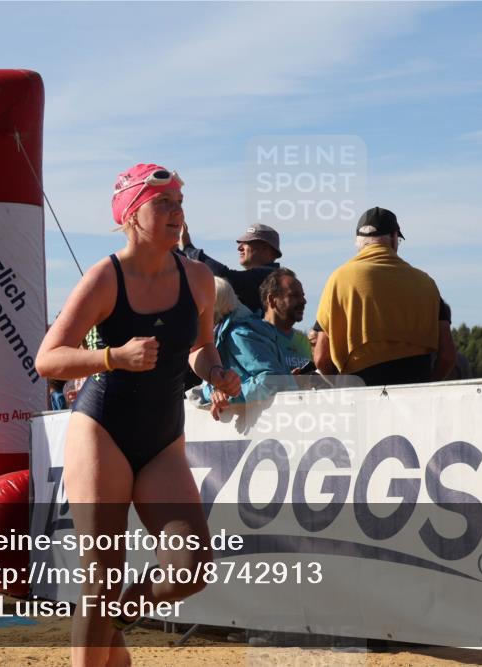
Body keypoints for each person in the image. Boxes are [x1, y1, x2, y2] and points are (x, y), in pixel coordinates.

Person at [35, 164, 241, 667]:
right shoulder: (106, 277)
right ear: (131, 215)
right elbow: (48, 359)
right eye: (162, 204)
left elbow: (199, 348)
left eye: (178, 203)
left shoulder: (198, 278)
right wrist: (113, 356)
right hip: (103, 426)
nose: (176, 213)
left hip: (162, 436)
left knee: (190, 568)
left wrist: (216, 373)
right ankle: (105, 624)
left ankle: (120, 615)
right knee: (100, 574)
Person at [313, 207, 456, 386]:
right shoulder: (426, 283)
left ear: (358, 242)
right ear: (394, 238)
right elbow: (448, 355)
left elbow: (321, 358)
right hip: (415, 391)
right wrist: (428, 385)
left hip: (361, 389)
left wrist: (341, 385)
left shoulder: (339, 280)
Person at [203, 277, 294, 419]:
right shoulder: (221, 333)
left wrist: (230, 396)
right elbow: (208, 382)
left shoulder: (238, 334)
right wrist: (216, 393)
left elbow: (272, 379)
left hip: (273, 421)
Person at [178, 223, 282, 312]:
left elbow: (226, 277)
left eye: (247, 243)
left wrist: (189, 249)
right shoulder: (265, 277)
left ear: (265, 248)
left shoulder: (270, 277)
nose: (239, 248)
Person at [259, 268, 312, 372]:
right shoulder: (256, 336)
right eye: (294, 295)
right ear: (271, 300)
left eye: (302, 295)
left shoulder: (304, 340)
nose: (303, 301)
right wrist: (288, 381)